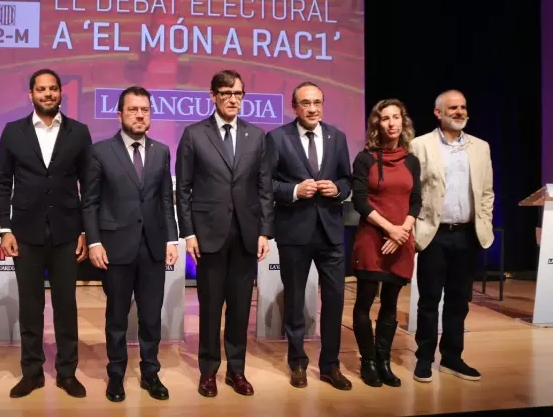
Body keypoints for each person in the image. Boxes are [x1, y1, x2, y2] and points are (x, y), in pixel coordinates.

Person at [175, 70, 273, 397]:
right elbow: (183, 190)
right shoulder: (193, 134)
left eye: (239, 94)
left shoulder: (256, 136)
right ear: (213, 96)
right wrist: (188, 233)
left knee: (240, 307)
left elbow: (264, 189)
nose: (234, 99)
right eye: (227, 93)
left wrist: (264, 232)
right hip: (208, 236)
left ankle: (236, 370)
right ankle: (208, 372)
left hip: (246, 235)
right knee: (210, 306)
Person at [0, 68, 92, 398]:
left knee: (66, 306)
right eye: (41, 89)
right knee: (30, 306)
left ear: (60, 92)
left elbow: (88, 186)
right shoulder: (12, 132)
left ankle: (67, 372)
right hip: (25, 232)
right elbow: (2, 181)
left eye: (53, 89)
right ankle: (32, 372)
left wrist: (84, 230)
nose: (47, 94)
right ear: (31, 94)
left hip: (67, 232)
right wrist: (4, 228)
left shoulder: (79, 132)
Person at [81, 86, 179, 402]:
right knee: (117, 318)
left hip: (152, 247)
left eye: (145, 110)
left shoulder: (162, 151)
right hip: (115, 248)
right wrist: (94, 241)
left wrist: (171, 238)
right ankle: (116, 376)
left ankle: (151, 374)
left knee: (151, 316)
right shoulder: (100, 151)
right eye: (133, 109)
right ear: (120, 113)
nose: (140, 115)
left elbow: (166, 198)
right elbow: (90, 201)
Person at [265, 81, 352, 391]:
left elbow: (347, 178)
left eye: (317, 102)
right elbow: (267, 184)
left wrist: (339, 189)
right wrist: (294, 190)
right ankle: (297, 362)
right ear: (294, 107)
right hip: (294, 232)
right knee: (295, 302)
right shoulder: (276, 138)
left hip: (330, 232)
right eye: (305, 103)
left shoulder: (337, 136)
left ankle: (330, 365)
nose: (312, 108)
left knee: (335, 300)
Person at [410, 90, 494, 383]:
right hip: (434, 234)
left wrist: (485, 222)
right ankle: (423, 359)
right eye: (453, 108)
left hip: (468, 235)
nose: (459, 112)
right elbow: (413, 192)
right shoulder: (420, 145)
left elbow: (486, 192)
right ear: (438, 113)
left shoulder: (480, 147)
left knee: (459, 300)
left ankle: (452, 358)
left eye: (463, 107)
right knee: (429, 300)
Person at [350, 99, 421, 388]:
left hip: (401, 238)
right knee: (365, 301)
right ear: (377, 124)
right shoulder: (365, 158)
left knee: (391, 302)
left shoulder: (412, 160)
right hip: (372, 238)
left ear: (403, 122)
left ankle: (384, 361)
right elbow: (359, 200)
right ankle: (367, 362)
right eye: (385, 118)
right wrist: (390, 229)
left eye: (396, 118)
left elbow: (416, 200)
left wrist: (403, 230)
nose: (391, 123)